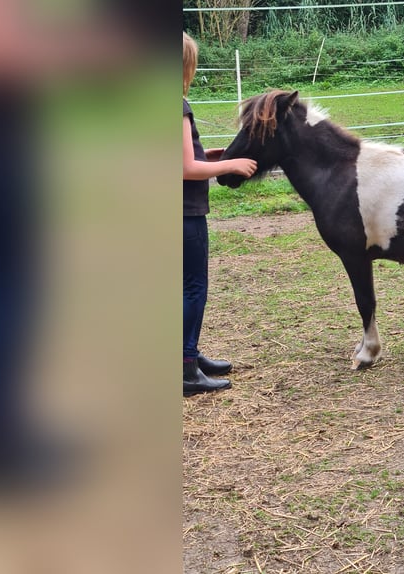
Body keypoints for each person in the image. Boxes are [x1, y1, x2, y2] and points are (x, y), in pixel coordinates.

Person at [183, 31, 257, 396]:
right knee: (194, 288)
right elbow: (183, 168)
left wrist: (208, 155)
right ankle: (184, 368)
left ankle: (189, 356)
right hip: (184, 211)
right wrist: (232, 163)